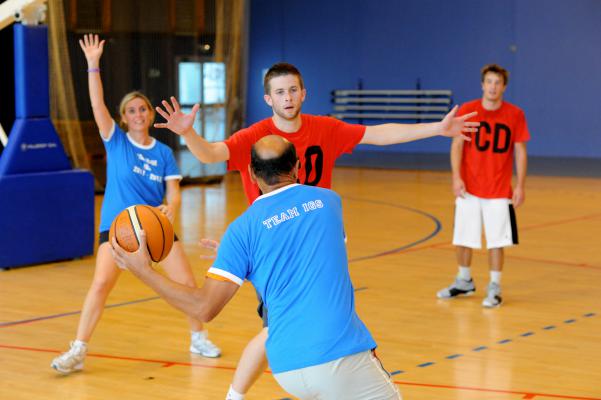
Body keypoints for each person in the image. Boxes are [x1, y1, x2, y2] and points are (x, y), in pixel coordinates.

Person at [155, 62, 479, 399]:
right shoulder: (257, 139)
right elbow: (211, 154)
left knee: (290, 324)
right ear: (268, 98)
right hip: (280, 243)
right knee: (280, 327)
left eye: (293, 89)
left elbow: (378, 134)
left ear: (304, 92)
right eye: (280, 92)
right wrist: (188, 133)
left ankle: (281, 384)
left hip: (318, 240)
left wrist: (437, 129)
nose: (288, 97)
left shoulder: (324, 128)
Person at [111, 135, 403, 399]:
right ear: (298, 167)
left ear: (251, 174)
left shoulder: (241, 231)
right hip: (338, 356)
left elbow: (203, 308)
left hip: (287, 367)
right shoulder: (329, 202)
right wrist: (248, 259)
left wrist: (145, 270)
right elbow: (312, 255)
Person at [50, 34, 220, 375]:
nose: (138, 113)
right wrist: (93, 64)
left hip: (154, 229)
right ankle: (79, 349)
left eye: (142, 108)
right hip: (116, 228)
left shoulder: (163, 153)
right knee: (100, 285)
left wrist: (169, 208)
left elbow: (173, 191)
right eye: (131, 110)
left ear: (149, 112)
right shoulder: (116, 142)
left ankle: (197, 337)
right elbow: (97, 105)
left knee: (187, 285)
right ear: (123, 118)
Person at [436, 63, 530, 308]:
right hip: (469, 187)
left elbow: (520, 151)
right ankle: (464, 280)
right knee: (463, 237)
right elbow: (456, 145)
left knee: (497, 240)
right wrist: (456, 177)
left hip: (499, 189)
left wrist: (520, 185)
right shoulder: (468, 110)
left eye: (497, 82)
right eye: (489, 81)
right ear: (482, 84)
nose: (493, 86)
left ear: (504, 87)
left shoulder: (515, 114)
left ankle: (495, 286)